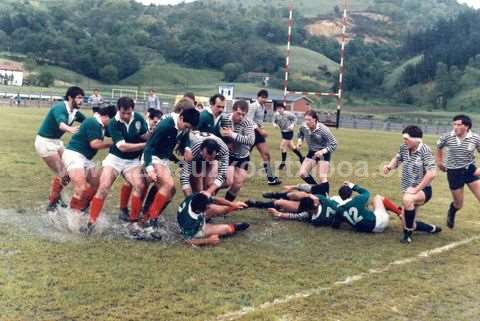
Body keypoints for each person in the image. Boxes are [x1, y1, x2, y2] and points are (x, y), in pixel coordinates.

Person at [83, 97, 150, 235]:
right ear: (119, 110)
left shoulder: (138, 118)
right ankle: (91, 222)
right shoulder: (113, 122)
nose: (126, 116)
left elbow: (144, 135)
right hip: (115, 159)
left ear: (133, 109)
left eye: (129, 113)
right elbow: (123, 147)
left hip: (132, 162)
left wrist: (154, 133)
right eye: (123, 112)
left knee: (140, 185)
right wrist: (145, 145)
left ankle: (133, 223)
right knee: (104, 187)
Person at [142, 108, 200, 239]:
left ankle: (148, 216)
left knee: (172, 191)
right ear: (181, 117)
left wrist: (186, 148)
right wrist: (149, 168)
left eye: (189, 127)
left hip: (164, 160)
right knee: (167, 185)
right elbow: (148, 147)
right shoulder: (165, 125)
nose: (187, 129)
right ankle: (150, 222)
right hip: (153, 157)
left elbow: (184, 138)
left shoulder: (184, 127)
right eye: (186, 126)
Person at [384, 125, 440, 243]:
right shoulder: (404, 147)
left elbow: (432, 174)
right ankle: (431, 228)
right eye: (404, 138)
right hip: (407, 189)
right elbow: (398, 159)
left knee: (408, 200)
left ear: (417, 139)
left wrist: (416, 189)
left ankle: (407, 235)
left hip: (423, 191)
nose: (404, 141)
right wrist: (389, 167)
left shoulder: (425, 150)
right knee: (409, 222)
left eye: (407, 139)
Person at [35, 86, 86, 211]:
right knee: (64, 173)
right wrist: (71, 129)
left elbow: (88, 121)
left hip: (57, 142)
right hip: (45, 142)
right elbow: (61, 124)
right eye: (79, 98)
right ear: (70, 97)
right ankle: (53, 202)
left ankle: (55, 199)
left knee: (67, 173)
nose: (81, 101)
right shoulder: (60, 108)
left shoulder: (74, 112)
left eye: (82, 98)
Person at [62, 105, 116, 219]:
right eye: (112, 121)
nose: (113, 124)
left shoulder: (102, 124)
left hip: (84, 159)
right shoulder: (93, 122)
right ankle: (72, 217)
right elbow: (95, 144)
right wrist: (114, 143)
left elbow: (114, 133)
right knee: (81, 188)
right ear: (106, 117)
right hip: (74, 155)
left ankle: (82, 207)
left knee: (97, 184)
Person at [118, 108, 162, 222]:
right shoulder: (143, 127)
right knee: (136, 183)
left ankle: (136, 209)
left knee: (143, 183)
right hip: (133, 158)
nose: (156, 124)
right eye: (155, 121)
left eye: (159, 122)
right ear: (149, 118)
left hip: (142, 158)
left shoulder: (156, 129)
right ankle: (125, 209)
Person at [436, 114, 480, 228]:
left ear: (467, 126)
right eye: (454, 124)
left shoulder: (475, 138)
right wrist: (439, 162)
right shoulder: (447, 136)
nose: (455, 127)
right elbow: (439, 146)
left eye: (458, 124)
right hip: (453, 172)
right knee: (459, 204)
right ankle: (452, 211)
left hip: (470, 170)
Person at [177, 193, 249, 246]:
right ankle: (234, 227)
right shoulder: (189, 223)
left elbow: (215, 199)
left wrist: (232, 204)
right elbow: (187, 241)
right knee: (226, 229)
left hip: (194, 216)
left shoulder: (195, 197)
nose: (209, 207)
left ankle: (238, 206)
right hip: (195, 227)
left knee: (217, 208)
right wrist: (208, 241)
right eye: (206, 207)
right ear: (200, 211)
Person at [221, 100, 255, 201]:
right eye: (238, 114)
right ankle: (209, 194)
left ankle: (224, 208)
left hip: (242, 156)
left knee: (237, 184)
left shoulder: (247, 123)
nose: (240, 117)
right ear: (233, 110)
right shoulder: (225, 119)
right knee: (228, 181)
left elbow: (251, 140)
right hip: (228, 155)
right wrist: (226, 143)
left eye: (243, 115)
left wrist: (233, 135)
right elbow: (219, 135)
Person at [297, 110, 337, 194]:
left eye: (309, 120)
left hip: (324, 154)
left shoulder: (323, 130)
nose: (307, 122)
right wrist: (300, 140)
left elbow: (333, 144)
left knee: (322, 177)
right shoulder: (304, 126)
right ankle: (317, 191)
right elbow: (300, 133)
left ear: (315, 119)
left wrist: (322, 151)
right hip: (312, 152)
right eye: (305, 119)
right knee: (303, 173)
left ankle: (326, 198)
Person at [180, 131, 229, 197]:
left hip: (213, 158)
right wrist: (188, 199)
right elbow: (184, 175)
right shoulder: (195, 148)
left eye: (210, 158)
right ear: (201, 150)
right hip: (196, 156)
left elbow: (222, 174)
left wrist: (208, 192)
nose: (206, 160)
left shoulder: (223, 150)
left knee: (209, 185)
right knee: (196, 188)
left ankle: (209, 201)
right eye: (205, 157)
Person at [248, 89, 281, 185]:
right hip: (250, 133)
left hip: (258, 133)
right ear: (258, 97)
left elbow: (259, 121)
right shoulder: (253, 106)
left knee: (266, 155)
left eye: (265, 98)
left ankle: (270, 178)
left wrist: (262, 129)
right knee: (244, 155)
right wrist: (260, 131)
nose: (264, 99)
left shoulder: (263, 107)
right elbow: (250, 121)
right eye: (262, 97)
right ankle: (232, 173)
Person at [272, 101, 303, 170]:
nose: (279, 109)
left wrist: (292, 125)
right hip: (283, 132)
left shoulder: (288, 114)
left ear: (283, 108)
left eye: (281, 108)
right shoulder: (276, 114)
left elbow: (295, 119)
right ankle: (301, 157)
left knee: (282, 147)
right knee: (292, 147)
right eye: (278, 108)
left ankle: (283, 164)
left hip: (289, 132)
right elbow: (273, 121)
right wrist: (274, 124)